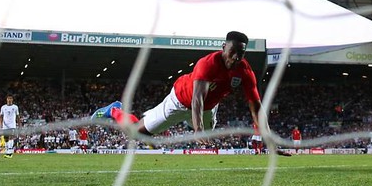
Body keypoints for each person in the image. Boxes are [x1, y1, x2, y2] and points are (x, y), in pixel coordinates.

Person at [92, 31, 270, 148]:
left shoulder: (245, 71)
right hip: (180, 101)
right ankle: (114, 110)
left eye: (241, 53)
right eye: (233, 52)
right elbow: (197, 99)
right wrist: (198, 129)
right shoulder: (207, 64)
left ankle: (189, 123)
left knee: (206, 134)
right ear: (224, 48)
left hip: (207, 109)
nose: (237, 57)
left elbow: (256, 108)